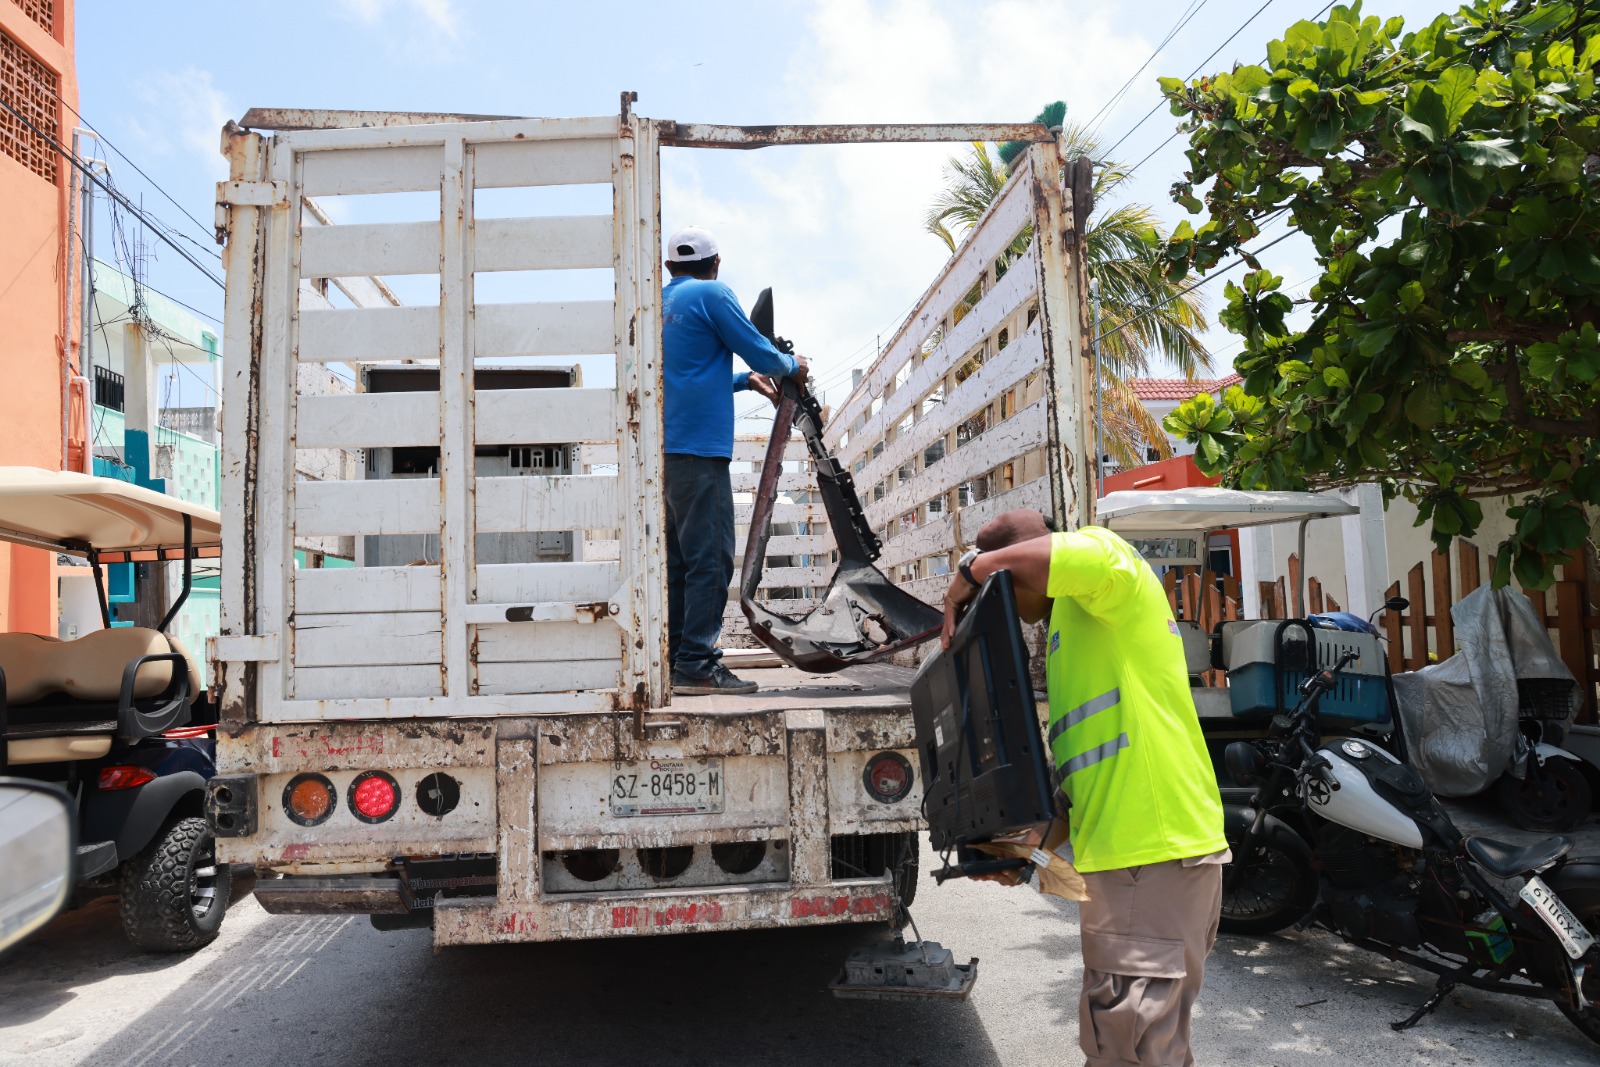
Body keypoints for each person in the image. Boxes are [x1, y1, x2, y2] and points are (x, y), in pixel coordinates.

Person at [941, 509, 1228, 1067]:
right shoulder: (1070, 634)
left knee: (1134, 1048)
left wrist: (970, 575)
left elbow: (1073, 554)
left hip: (1153, 856)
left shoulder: (1105, 568)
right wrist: (1030, 847)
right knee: (1123, 1043)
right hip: (1128, 863)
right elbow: (1086, 778)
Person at [661, 226, 808, 696]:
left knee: (681, 562)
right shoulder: (713, 293)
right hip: (701, 452)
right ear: (716, 263)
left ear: (669, 268)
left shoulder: (658, 305)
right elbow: (759, 347)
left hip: (663, 455)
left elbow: (685, 378)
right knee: (712, 559)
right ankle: (698, 665)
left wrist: (745, 382)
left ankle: (676, 659)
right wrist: (791, 366)